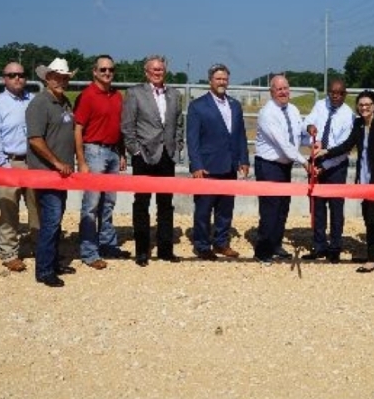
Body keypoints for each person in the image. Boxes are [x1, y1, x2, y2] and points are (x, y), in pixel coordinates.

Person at [316, 90, 374, 273]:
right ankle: (371, 254)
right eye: (361, 105)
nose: (364, 107)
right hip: (365, 179)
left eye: (368, 104)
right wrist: (326, 152)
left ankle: (373, 260)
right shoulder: (359, 124)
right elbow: (347, 145)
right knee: (368, 217)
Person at [121, 55, 184, 266]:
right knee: (142, 204)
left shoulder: (174, 95)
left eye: (161, 69)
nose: (158, 72)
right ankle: (142, 251)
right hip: (144, 157)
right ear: (146, 72)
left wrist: (177, 146)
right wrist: (135, 151)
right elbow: (128, 127)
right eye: (154, 69)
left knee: (166, 204)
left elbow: (179, 124)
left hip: (167, 156)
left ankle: (166, 250)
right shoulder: (134, 93)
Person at [186, 63, 249, 260]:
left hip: (229, 166)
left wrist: (244, 159)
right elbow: (192, 139)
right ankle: (202, 245)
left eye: (224, 79)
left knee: (225, 209)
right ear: (210, 81)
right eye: (218, 78)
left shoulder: (235, 105)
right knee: (204, 210)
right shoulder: (197, 106)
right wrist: (196, 165)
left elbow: (240, 135)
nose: (222, 82)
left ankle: (221, 243)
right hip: (207, 167)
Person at [0, 62, 39, 272]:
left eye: (21, 75)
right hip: (9, 161)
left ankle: (40, 247)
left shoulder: (34, 101)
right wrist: (3, 165)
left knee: (37, 209)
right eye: (12, 75)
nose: (17, 78)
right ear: (4, 78)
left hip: (33, 161)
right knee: (8, 209)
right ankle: (9, 252)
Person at [74, 55, 128, 270]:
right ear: (94, 72)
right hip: (94, 151)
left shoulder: (116, 96)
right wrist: (81, 160)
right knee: (91, 205)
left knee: (109, 203)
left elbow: (119, 127)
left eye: (111, 70)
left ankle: (107, 243)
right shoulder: (87, 96)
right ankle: (89, 251)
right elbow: (77, 129)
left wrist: (122, 153)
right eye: (103, 70)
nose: (107, 73)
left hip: (113, 152)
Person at [26, 58, 77, 287]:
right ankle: (45, 269)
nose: (62, 81)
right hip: (47, 172)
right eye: (57, 77)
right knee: (51, 220)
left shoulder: (65, 102)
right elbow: (35, 139)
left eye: (65, 77)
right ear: (47, 78)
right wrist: (56, 162)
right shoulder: (39, 103)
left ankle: (52, 261)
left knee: (55, 219)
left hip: (62, 173)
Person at [253, 74, 313, 264]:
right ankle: (263, 251)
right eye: (279, 89)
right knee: (270, 208)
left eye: (286, 88)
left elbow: (298, 136)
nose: (283, 92)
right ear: (272, 92)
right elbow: (283, 144)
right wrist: (304, 162)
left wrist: (313, 140)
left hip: (285, 165)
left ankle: (276, 244)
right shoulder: (267, 113)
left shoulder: (293, 110)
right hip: (269, 165)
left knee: (282, 207)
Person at [303, 78, 354, 263]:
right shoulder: (320, 105)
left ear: (345, 94)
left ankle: (335, 247)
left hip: (335, 166)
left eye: (339, 93)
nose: (335, 96)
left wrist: (324, 167)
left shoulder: (348, 115)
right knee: (317, 206)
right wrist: (309, 127)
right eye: (332, 92)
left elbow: (344, 149)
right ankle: (319, 246)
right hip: (316, 159)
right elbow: (307, 121)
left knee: (336, 208)